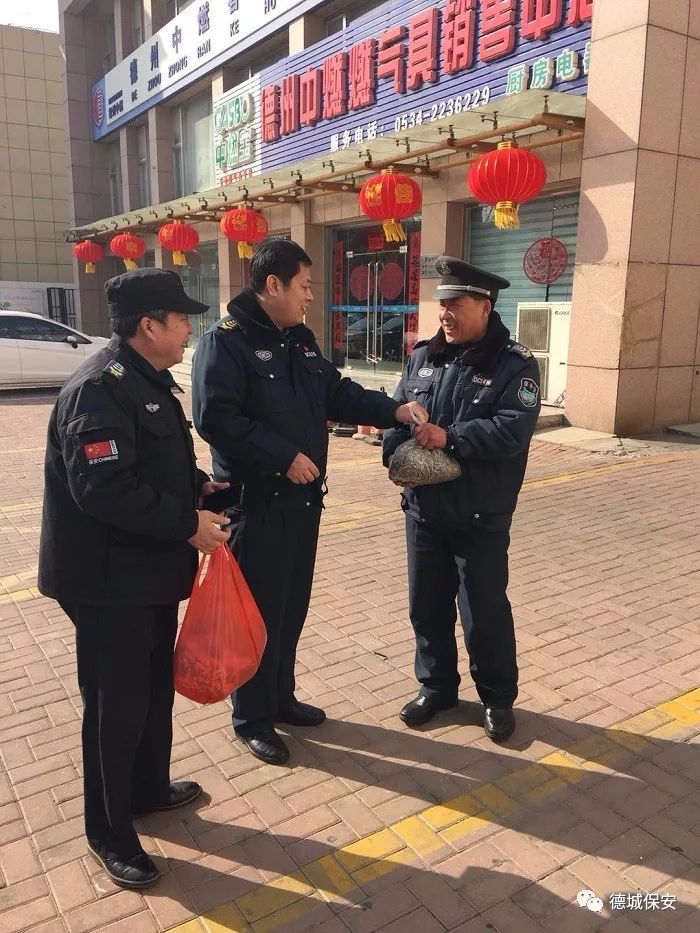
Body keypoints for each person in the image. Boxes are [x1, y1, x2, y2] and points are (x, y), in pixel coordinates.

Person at [191, 238, 427, 765]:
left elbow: (336, 393)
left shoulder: (297, 340)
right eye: (303, 285)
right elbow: (216, 419)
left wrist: (395, 411)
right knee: (258, 613)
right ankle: (252, 717)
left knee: (290, 608)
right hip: (258, 505)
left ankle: (280, 697)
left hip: (301, 507)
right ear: (272, 285)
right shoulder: (224, 344)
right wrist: (283, 457)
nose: (309, 296)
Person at [38, 268, 231, 889]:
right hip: (107, 583)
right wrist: (186, 524)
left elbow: (153, 465)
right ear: (149, 325)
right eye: (182, 320)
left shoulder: (146, 380)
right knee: (114, 708)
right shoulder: (99, 389)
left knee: (149, 690)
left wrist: (200, 489)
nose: (189, 330)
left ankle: (147, 789)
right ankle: (110, 831)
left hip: (146, 573)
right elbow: (103, 490)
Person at [382, 258, 541, 742]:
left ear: (485, 307)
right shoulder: (423, 357)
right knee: (426, 607)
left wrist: (449, 438)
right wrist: (395, 453)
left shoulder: (514, 363)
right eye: (442, 304)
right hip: (424, 511)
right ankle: (436, 688)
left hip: (480, 515)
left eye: (456, 304)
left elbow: (511, 430)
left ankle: (497, 697)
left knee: (483, 613)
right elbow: (398, 414)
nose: (445, 314)